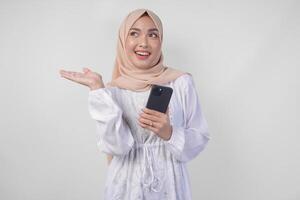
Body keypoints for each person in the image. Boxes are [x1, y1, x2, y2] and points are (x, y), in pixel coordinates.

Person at [59, 8, 210, 200]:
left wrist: (169, 133)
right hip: (125, 187)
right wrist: (98, 89)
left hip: (169, 187)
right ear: (123, 40)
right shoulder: (112, 90)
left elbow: (200, 137)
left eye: (153, 34)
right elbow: (116, 147)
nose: (144, 43)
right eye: (134, 33)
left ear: (161, 40)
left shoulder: (181, 83)